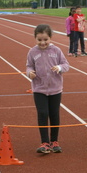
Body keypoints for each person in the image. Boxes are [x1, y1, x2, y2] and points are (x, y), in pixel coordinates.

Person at [26, 24, 69, 154]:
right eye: (39, 40)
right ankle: (45, 142)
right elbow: (28, 66)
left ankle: (54, 141)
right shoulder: (32, 52)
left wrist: (59, 68)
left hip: (55, 89)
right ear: (35, 39)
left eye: (45, 39)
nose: (43, 42)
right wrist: (30, 73)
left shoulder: (56, 51)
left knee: (54, 114)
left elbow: (66, 64)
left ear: (50, 38)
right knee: (43, 113)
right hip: (39, 89)